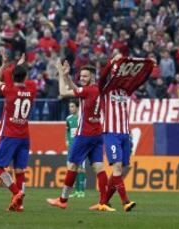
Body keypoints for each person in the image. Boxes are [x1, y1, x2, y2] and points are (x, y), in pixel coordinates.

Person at [47, 61, 114, 212]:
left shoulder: (88, 90)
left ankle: (63, 200)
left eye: (85, 76)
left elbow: (64, 92)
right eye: (81, 76)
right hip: (97, 134)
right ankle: (103, 202)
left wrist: (60, 75)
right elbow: (77, 89)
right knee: (99, 168)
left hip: (84, 134)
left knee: (72, 166)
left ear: (93, 77)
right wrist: (67, 76)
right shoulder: (97, 89)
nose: (82, 78)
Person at [92, 54, 154, 212]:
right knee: (117, 168)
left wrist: (150, 68)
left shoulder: (125, 90)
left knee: (123, 168)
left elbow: (140, 79)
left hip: (125, 134)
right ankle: (125, 202)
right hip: (111, 133)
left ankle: (103, 202)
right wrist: (110, 62)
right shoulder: (104, 89)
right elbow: (102, 77)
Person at [0, 50, 37, 212]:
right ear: (25, 77)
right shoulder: (32, 89)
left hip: (10, 135)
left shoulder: (9, 90)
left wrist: (5, 64)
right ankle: (18, 205)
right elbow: (23, 78)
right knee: (19, 171)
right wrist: (21, 65)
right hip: (25, 136)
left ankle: (17, 193)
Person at [65, 100, 86, 198]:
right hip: (72, 147)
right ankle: (77, 191)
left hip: (81, 146)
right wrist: (67, 140)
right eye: (69, 107)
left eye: (72, 106)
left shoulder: (81, 118)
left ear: (77, 107)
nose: (70, 108)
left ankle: (81, 191)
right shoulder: (68, 119)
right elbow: (67, 131)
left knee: (81, 169)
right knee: (73, 169)